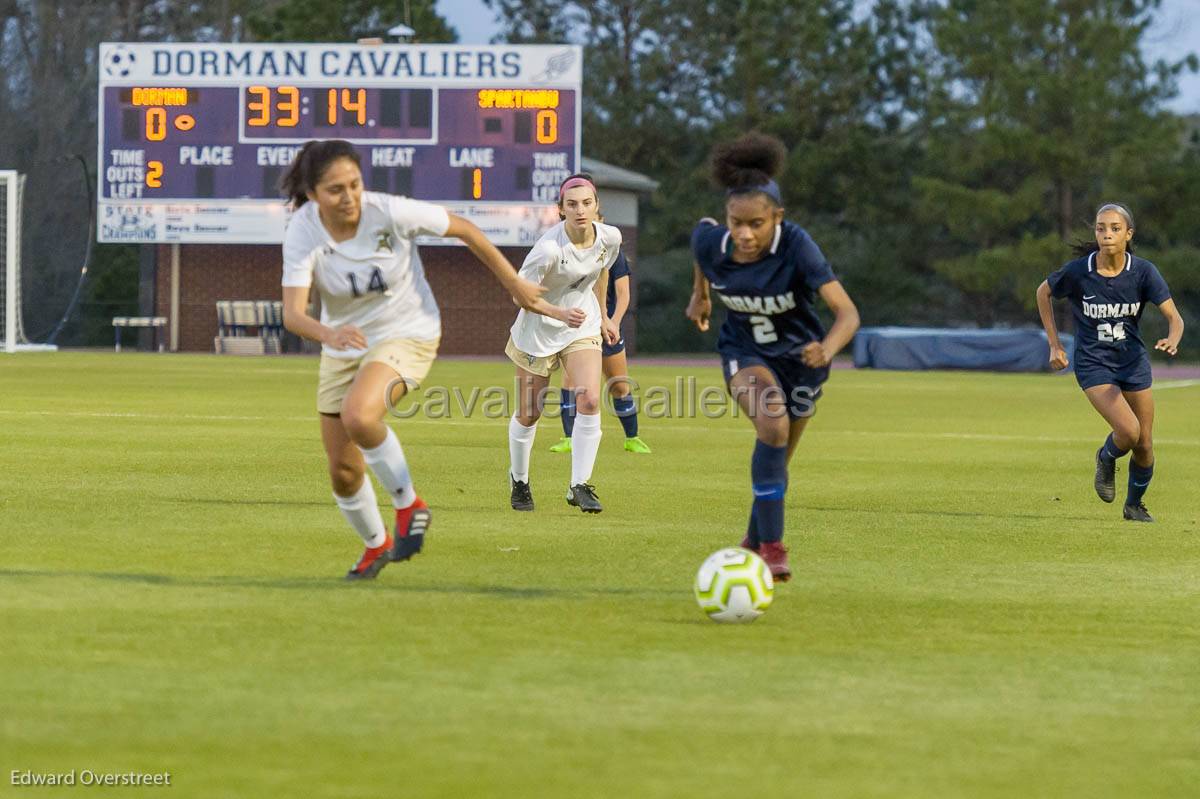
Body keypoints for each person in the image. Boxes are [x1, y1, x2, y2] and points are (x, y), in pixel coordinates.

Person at [280, 139, 544, 579]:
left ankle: (409, 506)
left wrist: (513, 283)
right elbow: (292, 314)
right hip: (343, 344)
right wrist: (330, 333)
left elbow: (464, 229)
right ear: (311, 194)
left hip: (408, 332)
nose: (348, 198)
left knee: (360, 417)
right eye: (334, 190)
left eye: (354, 185)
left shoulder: (390, 211)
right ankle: (375, 544)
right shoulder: (303, 229)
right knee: (344, 472)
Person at [686, 133, 860, 581]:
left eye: (756, 224)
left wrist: (829, 347)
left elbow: (847, 314)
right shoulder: (714, 242)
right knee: (772, 422)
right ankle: (773, 549)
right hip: (744, 354)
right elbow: (700, 241)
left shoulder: (797, 246)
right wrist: (699, 296)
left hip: (803, 364)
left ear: (776, 217)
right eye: (736, 222)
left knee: (777, 456)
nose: (744, 234)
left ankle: (750, 541)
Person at [1036, 203, 1184, 522]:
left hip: (1133, 362)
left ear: (1128, 235)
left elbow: (1175, 317)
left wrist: (1173, 338)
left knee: (1144, 444)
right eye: (1101, 228)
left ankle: (1134, 505)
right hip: (1094, 363)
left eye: (1115, 229)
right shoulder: (1079, 271)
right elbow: (1043, 292)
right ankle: (1106, 457)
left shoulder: (1143, 271)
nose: (1107, 234)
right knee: (1128, 432)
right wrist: (1055, 345)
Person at [506, 173, 621, 513]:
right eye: (572, 204)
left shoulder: (609, 238)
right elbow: (519, 297)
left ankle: (580, 485)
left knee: (588, 400)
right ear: (561, 209)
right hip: (537, 332)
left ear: (596, 206)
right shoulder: (547, 250)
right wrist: (558, 312)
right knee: (530, 413)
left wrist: (603, 317)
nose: (580, 210)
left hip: (580, 327)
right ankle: (520, 480)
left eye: (587, 203)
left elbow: (602, 272)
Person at [549, 247, 652, 455]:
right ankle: (569, 438)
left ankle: (632, 438)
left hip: (607, 328)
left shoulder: (613, 254)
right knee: (571, 383)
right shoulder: (568, 252)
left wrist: (613, 322)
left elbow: (623, 294)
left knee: (619, 385)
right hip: (579, 328)